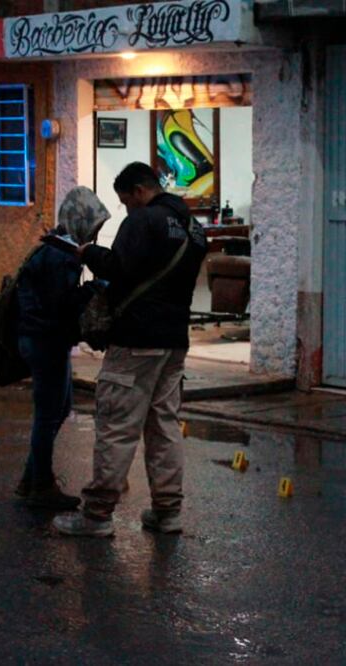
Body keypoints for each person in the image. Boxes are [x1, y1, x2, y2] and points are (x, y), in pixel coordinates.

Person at [53, 162, 207, 537]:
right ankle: (167, 512)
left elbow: (119, 267)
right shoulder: (194, 227)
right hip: (174, 342)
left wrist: (88, 252)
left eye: (125, 201)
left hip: (136, 339)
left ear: (139, 191)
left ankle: (97, 516)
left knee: (117, 426)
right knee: (164, 425)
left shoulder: (143, 221)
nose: (126, 209)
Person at [14, 186, 108, 510]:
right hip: (44, 340)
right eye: (94, 226)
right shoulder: (60, 256)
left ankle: (31, 477)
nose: (95, 234)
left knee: (60, 406)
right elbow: (61, 306)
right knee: (48, 413)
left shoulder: (57, 247)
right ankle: (40, 484)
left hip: (42, 337)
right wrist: (95, 288)